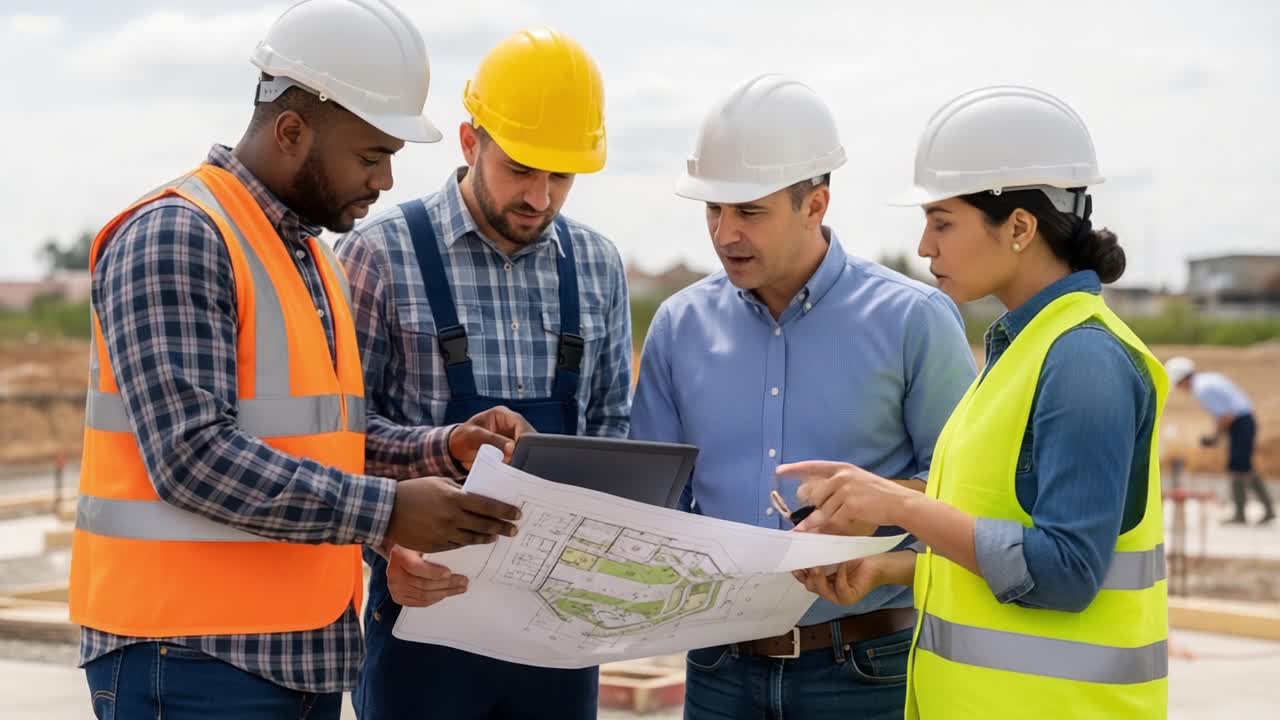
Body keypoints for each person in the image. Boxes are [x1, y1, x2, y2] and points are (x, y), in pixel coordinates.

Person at [70, 2, 530, 718]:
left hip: (299, 657)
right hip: (189, 660)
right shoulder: (179, 234)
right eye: (371, 156)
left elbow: (325, 438)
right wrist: (387, 513)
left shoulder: (310, 254)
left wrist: (441, 450)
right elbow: (192, 454)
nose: (384, 182)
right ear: (292, 130)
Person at [782, 86, 1169, 719]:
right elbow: (1000, 540)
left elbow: (1065, 571)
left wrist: (897, 503)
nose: (925, 246)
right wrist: (892, 572)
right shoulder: (1024, 348)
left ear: (1019, 227)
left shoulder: (1084, 362)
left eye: (942, 222)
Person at [629, 73, 975, 720]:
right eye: (713, 209)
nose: (726, 234)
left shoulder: (914, 321)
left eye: (750, 211)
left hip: (864, 671)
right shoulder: (678, 328)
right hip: (717, 668)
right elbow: (654, 502)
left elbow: (969, 493)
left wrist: (883, 508)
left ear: (815, 205)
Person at [335, 26, 632, 720]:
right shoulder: (378, 255)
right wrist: (387, 539)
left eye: (561, 177)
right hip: (422, 614)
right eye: (522, 169)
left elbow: (611, 424)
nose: (541, 197)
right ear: (471, 142)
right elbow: (340, 436)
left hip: (556, 625)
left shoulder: (595, 266)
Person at [1165, 356, 1275, 524]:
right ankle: (1263, 509)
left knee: (1239, 467)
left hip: (1241, 423)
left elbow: (1226, 416)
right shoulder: (1208, 380)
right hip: (1243, 421)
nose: (1180, 389)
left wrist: (1215, 436)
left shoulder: (1202, 389)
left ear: (1183, 379)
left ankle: (1243, 513)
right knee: (1242, 466)